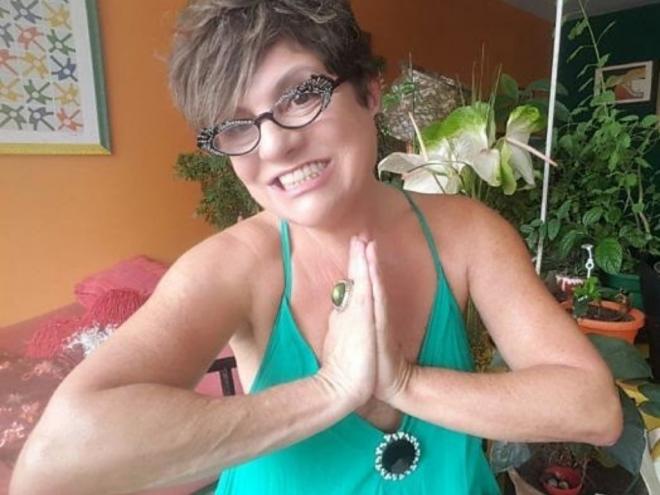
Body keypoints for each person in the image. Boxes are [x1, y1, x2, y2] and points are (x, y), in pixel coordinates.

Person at [10, 1, 622, 494]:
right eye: (237, 125)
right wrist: (330, 390)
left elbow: (593, 407)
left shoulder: (467, 234)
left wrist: (403, 382)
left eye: (300, 94)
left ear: (370, 92)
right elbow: (53, 465)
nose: (274, 146)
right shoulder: (234, 266)